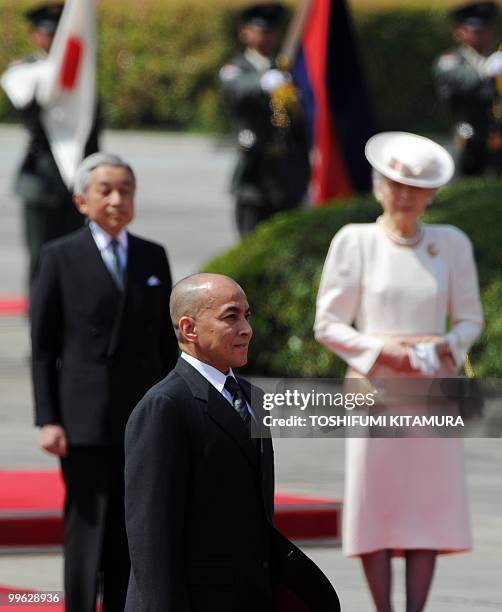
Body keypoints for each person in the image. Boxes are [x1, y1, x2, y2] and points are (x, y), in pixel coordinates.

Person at [314, 132, 484, 611]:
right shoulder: (356, 241)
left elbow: (471, 317)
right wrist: (382, 350)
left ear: (431, 193)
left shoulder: (451, 244)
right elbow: (328, 322)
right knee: (377, 502)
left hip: (432, 395)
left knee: (427, 504)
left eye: (416, 187)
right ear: (378, 187)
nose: (404, 195)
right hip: (375, 393)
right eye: (394, 184)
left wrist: (445, 345)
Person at [124, 272, 340, 611]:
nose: (247, 330)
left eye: (247, 316)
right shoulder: (165, 406)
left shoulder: (252, 397)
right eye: (230, 317)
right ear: (189, 328)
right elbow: (151, 535)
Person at [30, 153, 178, 612]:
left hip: (140, 416)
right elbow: (42, 346)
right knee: (87, 527)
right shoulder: (57, 257)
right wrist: (48, 419)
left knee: (129, 529)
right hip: (83, 418)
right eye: (106, 190)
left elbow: (164, 344)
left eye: (126, 191)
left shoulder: (153, 256)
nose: (117, 200)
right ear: (81, 200)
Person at [1, 2, 100, 284]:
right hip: (41, 178)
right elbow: (26, 103)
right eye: (47, 33)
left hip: (77, 178)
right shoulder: (25, 71)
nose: (53, 38)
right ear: (35, 35)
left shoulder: (83, 74)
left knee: (78, 252)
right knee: (41, 254)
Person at [219, 2, 310, 236]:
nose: (267, 37)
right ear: (245, 32)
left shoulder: (287, 68)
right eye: (261, 30)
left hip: (288, 173)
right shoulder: (236, 67)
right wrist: (262, 83)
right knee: (252, 241)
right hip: (255, 174)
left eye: (272, 31)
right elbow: (236, 90)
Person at [433, 1, 502, 176]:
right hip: (466, 137)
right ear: (459, 32)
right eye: (476, 30)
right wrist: (487, 71)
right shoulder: (449, 61)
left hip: (494, 138)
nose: (483, 35)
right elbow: (466, 82)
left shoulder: (492, 58)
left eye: (487, 29)